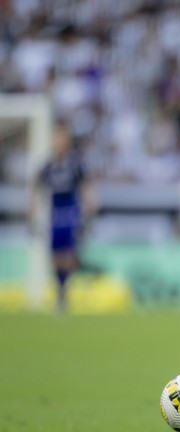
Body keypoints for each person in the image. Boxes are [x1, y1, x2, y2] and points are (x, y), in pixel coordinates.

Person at [33, 123, 96, 312]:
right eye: (55, 138)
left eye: (61, 138)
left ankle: (66, 287)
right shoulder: (48, 166)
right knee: (55, 255)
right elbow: (37, 188)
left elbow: (86, 186)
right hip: (55, 212)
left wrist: (91, 208)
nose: (57, 142)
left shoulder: (75, 164)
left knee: (68, 253)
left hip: (70, 210)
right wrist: (32, 211)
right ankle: (61, 292)